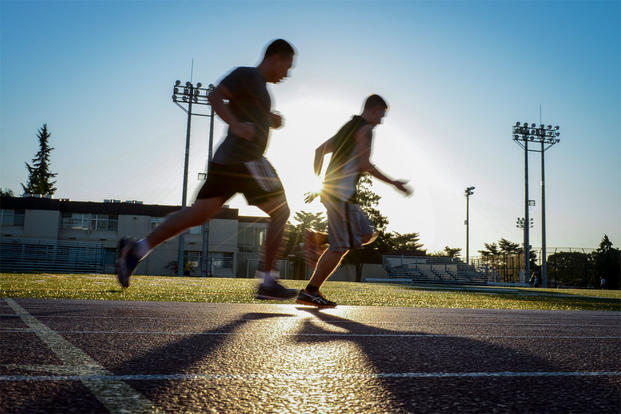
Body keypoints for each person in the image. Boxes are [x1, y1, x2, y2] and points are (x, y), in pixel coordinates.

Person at [116, 39, 297, 300]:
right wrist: (235, 125)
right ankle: (267, 280)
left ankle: (136, 250)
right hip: (246, 158)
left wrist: (270, 119)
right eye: (287, 67)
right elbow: (215, 96)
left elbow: (249, 112)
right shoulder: (247, 75)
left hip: (228, 161)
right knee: (281, 211)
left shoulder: (261, 89)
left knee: (197, 216)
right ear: (276, 58)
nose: (286, 74)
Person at [297, 94, 412, 308]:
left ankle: (319, 238)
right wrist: (394, 182)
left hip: (338, 194)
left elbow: (319, 151)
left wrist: (319, 183)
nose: (381, 121)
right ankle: (310, 291)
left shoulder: (348, 127)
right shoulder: (366, 129)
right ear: (375, 109)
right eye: (382, 115)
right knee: (340, 247)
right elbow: (364, 164)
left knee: (367, 234)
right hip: (340, 196)